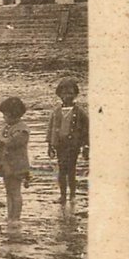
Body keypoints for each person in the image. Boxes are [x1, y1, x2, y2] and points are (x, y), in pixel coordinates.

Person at [46, 77, 89, 205]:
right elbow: (51, 128)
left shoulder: (80, 112)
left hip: (73, 146)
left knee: (71, 170)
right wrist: (50, 145)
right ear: (59, 94)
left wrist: (86, 146)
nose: (67, 96)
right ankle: (63, 195)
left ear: (75, 94)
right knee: (61, 169)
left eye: (70, 93)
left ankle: (73, 195)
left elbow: (86, 130)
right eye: (64, 93)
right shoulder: (56, 112)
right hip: (60, 145)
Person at [0, 97, 30, 221]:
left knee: (15, 191)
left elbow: (14, 142)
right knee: (9, 190)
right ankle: (10, 215)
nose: (4, 118)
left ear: (14, 115)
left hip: (17, 165)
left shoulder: (22, 128)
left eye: (6, 115)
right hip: (6, 164)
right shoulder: (7, 126)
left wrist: (2, 141)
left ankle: (16, 217)